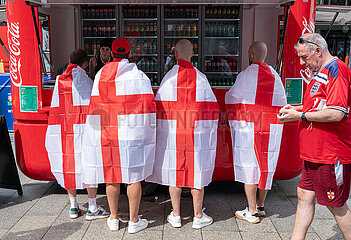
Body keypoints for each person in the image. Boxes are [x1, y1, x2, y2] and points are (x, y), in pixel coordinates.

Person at [278, 33, 351, 240]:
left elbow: (336, 113)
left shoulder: (336, 71)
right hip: (315, 153)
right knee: (303, 195)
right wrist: (298, 108)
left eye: (304, 57)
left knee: (335, 205)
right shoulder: (323, 71)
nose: (303, 63)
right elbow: (319, 106)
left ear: (318, 50)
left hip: (329, 154)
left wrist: (300, 115)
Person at [81, 38, 156, 234]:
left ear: (113, 54)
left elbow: (95, 107)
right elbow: (148, 108)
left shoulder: (100, 76)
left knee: (111, 176)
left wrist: (94, 135)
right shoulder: (140, 76)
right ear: (129, 54)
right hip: (132, 134)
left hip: (108, 133)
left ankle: (114, 218)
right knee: (134, 177)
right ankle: (133, 221)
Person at [146, 39, 219, 229]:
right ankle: (198, 216)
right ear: (192, 54)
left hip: (173, 134)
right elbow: (212, 111)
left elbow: (159, 109)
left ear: (175, 54)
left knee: (174, 171)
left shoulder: (168, 79)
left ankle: (176, 215)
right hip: (195, 134)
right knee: (197, 172)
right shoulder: (201, 78)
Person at [225, 41, 287, 224]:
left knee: (249, 164)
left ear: (251, 54)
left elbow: (232, 97)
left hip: (249, 127)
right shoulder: (275, 76)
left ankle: (251, 211)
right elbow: (282, 102)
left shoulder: (245, 76)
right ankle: (260, 205)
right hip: (270, 128)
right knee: (266, 164)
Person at [45, 49, 109, 220]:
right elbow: (95, 107)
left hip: (65, 131)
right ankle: (92, 207)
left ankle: (73, 206)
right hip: (85, 131)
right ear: (85, 63)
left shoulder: (59, 80)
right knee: (89, 164)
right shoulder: (87, 81)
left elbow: (55, 109)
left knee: (68, 165)